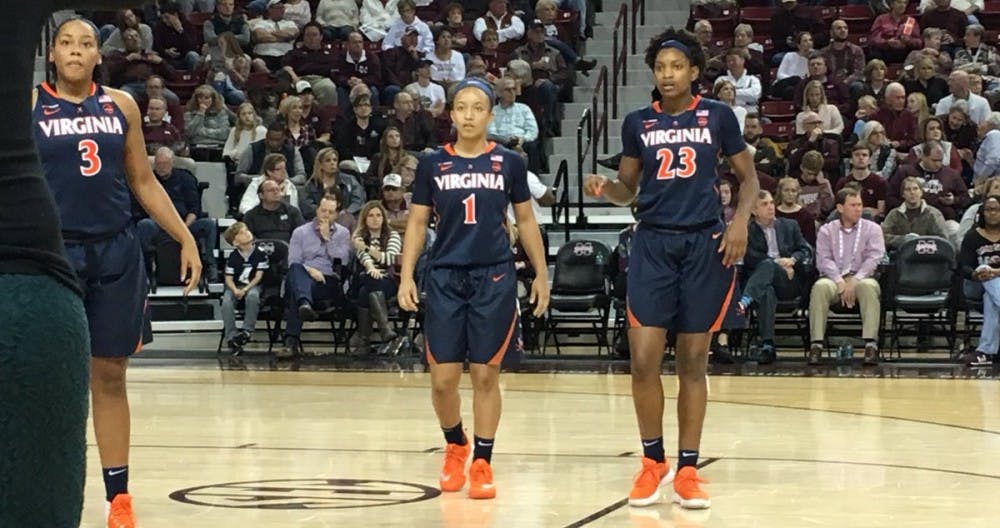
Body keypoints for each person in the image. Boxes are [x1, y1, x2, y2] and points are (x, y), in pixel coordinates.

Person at [33, 16, 202, 528]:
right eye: (68, 44)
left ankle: (118, 498)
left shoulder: (121, 105)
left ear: (97, 55)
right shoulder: (29, 106)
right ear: (53, 53)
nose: (77, 52)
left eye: (86, 44)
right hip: (53, 253)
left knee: (110, 375)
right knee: (49, 378)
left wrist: (185, 235)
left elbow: (143, 180)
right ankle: (43, 489)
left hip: (115, 251)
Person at [582, 28, 759, 509]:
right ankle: (651, 460)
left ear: (695, 72)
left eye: (676, 66)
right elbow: (628, 189)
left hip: (704, 245)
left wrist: (740, 222)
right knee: (642, 358)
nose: (667, 74)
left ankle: (687, 468)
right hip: (653, 244)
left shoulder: (718, 116)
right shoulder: (638, 121)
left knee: (692, 363)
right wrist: (606, 189)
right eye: (660, 67)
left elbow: (749, 178)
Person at [397, 78, 550, 500]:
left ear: (489, 114)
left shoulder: (509, 163)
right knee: (443, 380)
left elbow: (526, 220)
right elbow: (416, 222)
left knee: (486, 374)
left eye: (477, 107)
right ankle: (455, 443)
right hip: (445, 275)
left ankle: (482, 460)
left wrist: (541, 273)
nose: (468, 114)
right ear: (451, 114)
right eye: (461, 107)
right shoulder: (432, 164)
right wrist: (407, 274)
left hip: (494, 276)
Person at [808, 189, 886, 365]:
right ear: (840, 208)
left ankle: (870, 345)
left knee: (867, 287)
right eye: (853, 205)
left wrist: (855, 280)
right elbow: (823, 259)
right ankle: (816, 345)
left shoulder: (873, 228)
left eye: (860, 205)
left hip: (862, 277)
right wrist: (839, 281)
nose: (858, 209)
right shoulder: (826, 230)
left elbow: (875, 258)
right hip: (835, 279)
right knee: (820, 287)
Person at [737, 190, 813, 364]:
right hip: (765, 280)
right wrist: (778, 263)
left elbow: (806, 249)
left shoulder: (789, 225)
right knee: (767, 290)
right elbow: (749, 257)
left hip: (788, 281)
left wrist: (792, 260)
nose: (771, 207)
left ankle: (745, 300)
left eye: (771, 203)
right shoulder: (747, 230)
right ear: (754, 211)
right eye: (765, 204)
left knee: (767, 267)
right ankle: (768, 345)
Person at [350, 200, 403, 354]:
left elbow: (388, 259)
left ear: (384, 218)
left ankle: (364, 340)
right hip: (367, 276)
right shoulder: (359, 236)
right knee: (369, 278)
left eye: (379, 215)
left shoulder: (392, 235)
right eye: (371, 215)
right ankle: (385, 331)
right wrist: (371, 267)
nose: (375, 219)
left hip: (388, 280)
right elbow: (363, 258)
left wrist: (367, 248)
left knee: (365, 292)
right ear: (365, 219)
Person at [959, 194, 1000, 366]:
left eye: (997, 210)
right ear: (982, 213)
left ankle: (985, 352)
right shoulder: (972, 236)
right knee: (984, 270)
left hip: (993, 289)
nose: (993, 213)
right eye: (989, 210)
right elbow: (963, 267)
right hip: (976, 284)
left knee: (990, 300)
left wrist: (996, 272)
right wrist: (977, 274)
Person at [221, 221, 267, 356]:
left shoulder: (260, 253)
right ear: (235, 242)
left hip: (253, 285)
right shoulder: (233, 256)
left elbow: (258, 277)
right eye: (241, 232)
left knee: (253, 296)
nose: (247, 233)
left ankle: (247, 331)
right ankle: (231, 337)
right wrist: (235, 290)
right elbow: (228, 278)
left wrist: (245, 289)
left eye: (246, 229)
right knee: (226, 302)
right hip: (236, 286)